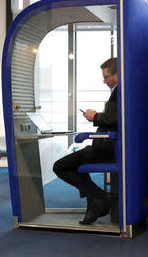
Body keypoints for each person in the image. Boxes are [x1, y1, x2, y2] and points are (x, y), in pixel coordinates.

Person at [53, 58, 117, 225]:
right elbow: (114, 118)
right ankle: (97, 203)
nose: (104, 81)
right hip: (107, 147)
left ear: (117, 74)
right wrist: (96, 117)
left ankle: (102, 198)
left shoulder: (120, 91)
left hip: (106, 150)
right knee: (75, 166)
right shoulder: (120, 90)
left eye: (106, 77)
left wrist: (94, 116)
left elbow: (115, 118)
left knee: (59, 166)